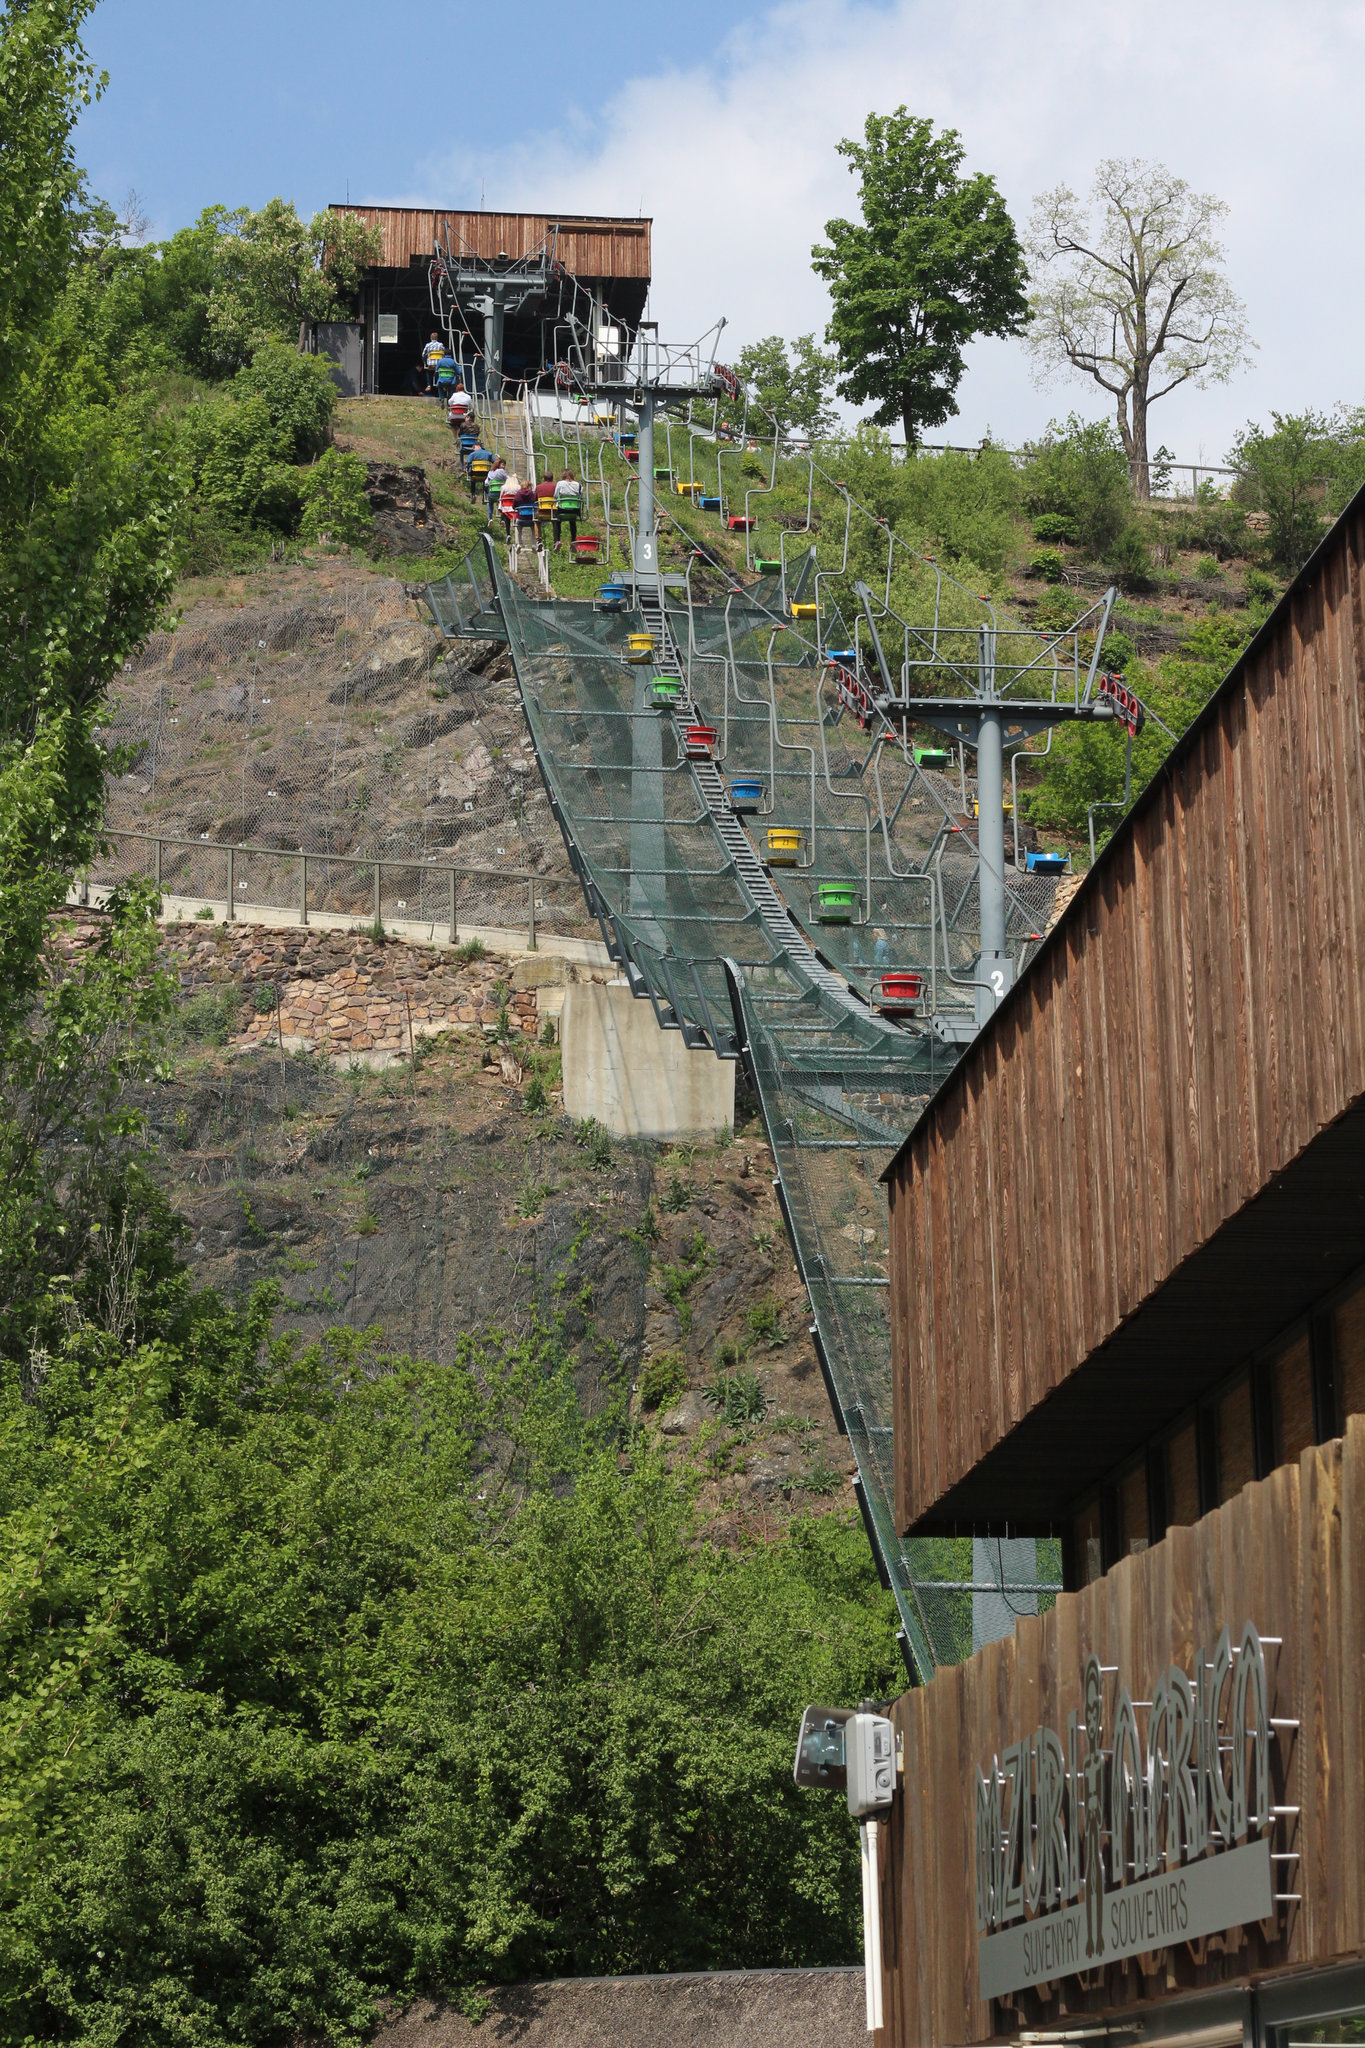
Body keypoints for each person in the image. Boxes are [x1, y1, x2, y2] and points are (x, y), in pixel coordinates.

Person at [552, 468, 582, 552]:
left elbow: (555, 495)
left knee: (557, 521)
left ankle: (557, 540)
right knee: (572, 522)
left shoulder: (560, 483)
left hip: (562, 510)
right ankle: (573, 541)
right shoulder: (578, 485)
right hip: (574, 510)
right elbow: (581, 497)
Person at [534, 470, 557, 548]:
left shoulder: (538, 487)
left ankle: (538, 540)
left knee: (536, 521)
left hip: (542, 513)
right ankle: (556, 540)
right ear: (552, 478)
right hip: (553, 513)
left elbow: (535, 499)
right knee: (555, 522)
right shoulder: (555, 486)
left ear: (543, 478)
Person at [497, 467, 520, 536]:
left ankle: (508, 534)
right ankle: (517, 534)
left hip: (505, 507)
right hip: (515, 507)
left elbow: (500, 496)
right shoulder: (518, 487)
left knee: (507, 519)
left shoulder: (504, 487)